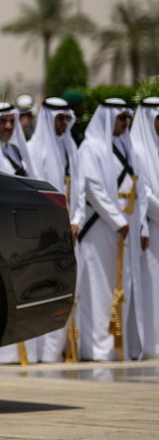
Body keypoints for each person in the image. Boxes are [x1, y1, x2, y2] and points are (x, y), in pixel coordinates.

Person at [71, 98, 139, 361]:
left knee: (117, 289)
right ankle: (97, 348)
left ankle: (116, 347)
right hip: (98, 230)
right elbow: (93, 188)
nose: (125, 123)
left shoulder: (122, 145)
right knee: (98, 290)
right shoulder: (91, 147)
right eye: (121, 118)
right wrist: (117, 220)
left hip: (119, 229)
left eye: (127, 118)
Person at [24, 97, 81, 362]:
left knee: (68, 288)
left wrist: (76, 219)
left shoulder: (70, 147)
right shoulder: (34, 149)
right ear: (49, 119)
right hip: (47, 232)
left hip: (72, 230)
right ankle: (44, 353)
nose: (64, 123)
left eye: (66, 119)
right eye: (60, 119)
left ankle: (59, 351)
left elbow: (80, 188)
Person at [125, 97, 159, 360]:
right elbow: (144, 194)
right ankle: (149, 344)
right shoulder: (136, 148)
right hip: (149, 229)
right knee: (149, 288)